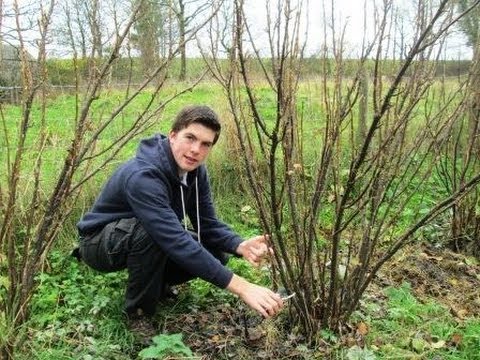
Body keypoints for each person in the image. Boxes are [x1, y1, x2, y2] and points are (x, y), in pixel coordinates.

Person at [76, 105, 283, 340]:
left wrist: (238, 244)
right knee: (152, 233)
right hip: (99, 243)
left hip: (145, 233)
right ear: (173, 135)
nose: (196, 150)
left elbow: (207, 224)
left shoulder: (195, 170)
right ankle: (138, 313)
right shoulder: (143, 176)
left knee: (215, 249)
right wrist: (243, 287)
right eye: (190, 138)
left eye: (206, 144)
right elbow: (174, 240)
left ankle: (156, 285)